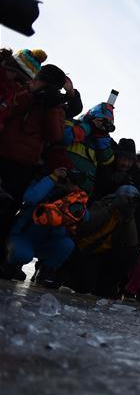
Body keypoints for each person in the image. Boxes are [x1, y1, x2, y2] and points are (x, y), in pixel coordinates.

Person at [0, 54, 68, 267]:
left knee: (7, 212)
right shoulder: (24, 92)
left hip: (24, 167)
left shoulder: (54, 107)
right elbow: (7, 110)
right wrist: (32, 95)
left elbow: (55, 136)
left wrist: (51, 107)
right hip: (3, 157)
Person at [0, 166, 88, 288]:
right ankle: (10, 265)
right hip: (24, 236)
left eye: (73, 182)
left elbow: (85, 217)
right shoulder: (43, 185)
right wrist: (52, 178)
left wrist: (76, 199)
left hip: (46, 242)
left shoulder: (73, 199)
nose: (68, 183)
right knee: (23, 254)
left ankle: (45, 273)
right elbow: (30, 198)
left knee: (67, 244)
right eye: (67, 179)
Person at [58, 102, 116, 195]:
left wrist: (101, 136)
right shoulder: (73, 124)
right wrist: (88, 126)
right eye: (101, 121)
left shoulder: (103, 140)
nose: (103, 125)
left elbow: (107, 160)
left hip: (81, 192)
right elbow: (66, 138)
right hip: (60, 181)